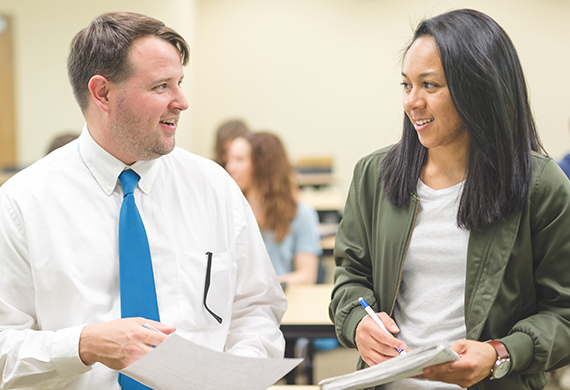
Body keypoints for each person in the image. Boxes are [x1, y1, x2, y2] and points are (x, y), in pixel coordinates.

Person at [0, 11, 285, 390]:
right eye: (161, 86)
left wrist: (237, 375)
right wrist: (82, 345)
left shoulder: (214, 187)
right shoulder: (21, 204)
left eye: (180, 83)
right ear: (103, 93)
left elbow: (256, 309)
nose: (182, 102)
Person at [329, 8, 570, 390]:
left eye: (430, 85)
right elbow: (351, 280)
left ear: (479, 88)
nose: (412, 102)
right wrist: (358, 323)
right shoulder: (373, 176)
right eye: (406, 85)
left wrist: (499, 353)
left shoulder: (540, 186)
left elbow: (564, 313)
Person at [226, 131, 322, 286]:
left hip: (285, 300)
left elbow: (307, 275)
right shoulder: (230, 212)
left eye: (239, 160)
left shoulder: (302, 214)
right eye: (230, 159)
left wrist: (264, 286)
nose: (230, 167)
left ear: (262, 166)